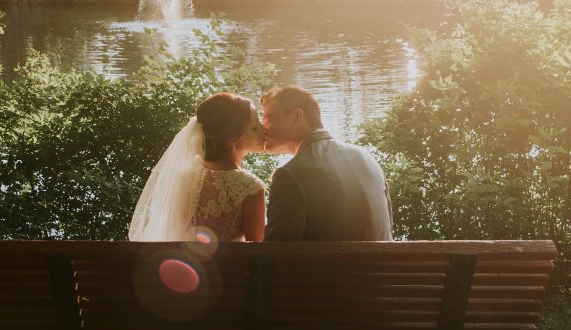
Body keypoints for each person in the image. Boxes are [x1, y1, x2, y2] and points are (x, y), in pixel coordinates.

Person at [129, 93, 267, 242]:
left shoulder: (182, 178)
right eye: (254, 127)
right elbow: (256, 252)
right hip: (227, 266)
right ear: (231, 140)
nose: (264, 129)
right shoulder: (250, 187)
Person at [260, 86, 393, 241]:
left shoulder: (290, 175)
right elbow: (388, 225)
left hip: (333, 266)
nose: (262, 129)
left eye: (268, 119)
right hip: (387, 264)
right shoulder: (366, 156)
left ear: (296, 116)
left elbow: (274, 253)